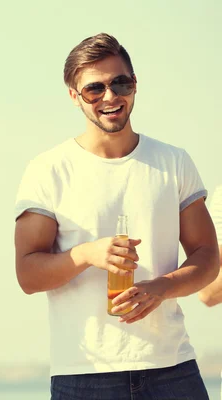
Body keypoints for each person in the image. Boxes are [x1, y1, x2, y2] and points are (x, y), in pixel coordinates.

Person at [13, 33, 219, 399]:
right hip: (85, 375)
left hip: (172, 369)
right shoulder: (48, 170)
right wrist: (87, 254)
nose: (110, 97)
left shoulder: (174, 162)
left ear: (135, 85)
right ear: (74, 96)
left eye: (120, 83)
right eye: (94, 89)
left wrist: (162, 288)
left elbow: (207, 256)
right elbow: (28, 274)